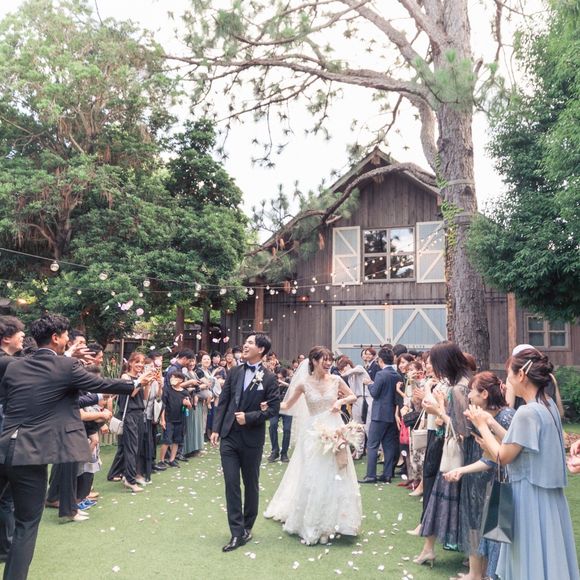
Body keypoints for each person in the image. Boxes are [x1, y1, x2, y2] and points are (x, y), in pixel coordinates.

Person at [0, 313, 134, 580]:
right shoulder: (65, 366)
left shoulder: (15, 367)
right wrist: (134, 383)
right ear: (56, 338)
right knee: (27, 524)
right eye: (65, 336)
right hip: (29, 456)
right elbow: (101, 384)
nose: (68, 340)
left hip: (3, 448)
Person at [467, 349, 579, 580]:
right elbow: (521, 443)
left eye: (509, 375)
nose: (507, 382)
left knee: (528, 562)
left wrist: (482, 426)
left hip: (528, 496)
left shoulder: (527, 412)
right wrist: (492, 424)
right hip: (549, 498)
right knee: (547, 558)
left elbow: (502, 455)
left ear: (521, 376)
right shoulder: (547, 405)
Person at [264, 346, 362, 545]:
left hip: (335, 429)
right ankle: (312, 521)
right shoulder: (303, 383)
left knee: (337, 471)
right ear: (314, 361)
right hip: (313, 432)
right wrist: (269, 405)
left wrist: (340, 402)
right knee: (313, 474)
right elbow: (287, 405)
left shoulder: (336, 379)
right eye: (324, 360)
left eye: (330, 360)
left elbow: (353, 396)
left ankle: (339, 520)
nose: (328, 363)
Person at [210, 333, 279, 552]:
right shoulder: (235, 371)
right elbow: (224, 401)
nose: (245, 346)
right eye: (246, 342)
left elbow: (273, 409)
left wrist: (249, 417)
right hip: (229, 436)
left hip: (251, 439)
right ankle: (236, 532)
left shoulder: (269, 378)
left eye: (250, 343)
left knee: (250, 484)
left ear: (261, 349)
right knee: (231, 483)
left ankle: (248, 527)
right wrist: (216, 429)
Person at [443, 371, 515, 580]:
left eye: (472, 392)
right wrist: (460, 470)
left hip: (508, 485)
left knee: (501, 540)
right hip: (493, 483)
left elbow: (506, 455)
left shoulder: (506, 417)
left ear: (484, 394)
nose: (469, 396)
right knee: (490, 536)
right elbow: (489, 459)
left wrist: (486, 428)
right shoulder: (485, 418)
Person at [416, 341, 472, 568]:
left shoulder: (460, 388)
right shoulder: (463, 382)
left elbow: (463, 431)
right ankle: (429, 549)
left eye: (435, 363)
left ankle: (466, 553)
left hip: (459, 455)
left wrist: (438, 411)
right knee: (443, 499)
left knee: (447, 500)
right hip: (454, 453)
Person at [359, 348, 400, 484]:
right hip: (392, 414)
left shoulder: (381, 374)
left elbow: (375, 393)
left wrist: (369, 384)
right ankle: (387, 474)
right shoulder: (397, 375)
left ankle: (371, 475)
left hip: (379, 414)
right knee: (388, 445)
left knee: (372, 444)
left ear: (380, 360)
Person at [159, 372, 192, 467]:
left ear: (181, 380)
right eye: (171, 377)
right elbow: (163, 406)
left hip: (180, 420)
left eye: (174, 377)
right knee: (167, 440)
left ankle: (172, 459)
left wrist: (187, 404)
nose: (172, 379)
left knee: (176, 441)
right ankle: (161, 460)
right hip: (168, 419)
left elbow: (189, 407)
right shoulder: (167, 390)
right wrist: (162, 420)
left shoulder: (185, 392)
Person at [267, 367, 292, 463]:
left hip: (288, 408)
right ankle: (275, 450)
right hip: (275, 408)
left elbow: (296, 389)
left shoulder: (290, 382)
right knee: (272, 425)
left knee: (287, 429)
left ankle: (284, 453)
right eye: (278, 378)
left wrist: (284, 383)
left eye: (282, 378)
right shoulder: (272, 382)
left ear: (285, 377)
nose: (279, 380)